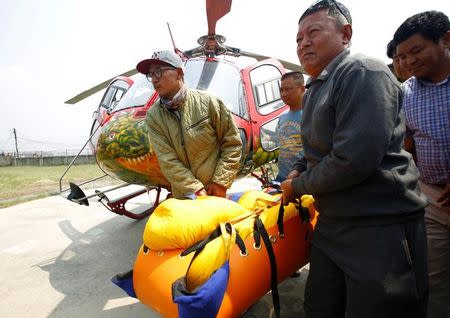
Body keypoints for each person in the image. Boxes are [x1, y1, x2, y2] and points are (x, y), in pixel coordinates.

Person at [280, 1, 429, 317]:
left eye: (313, 32)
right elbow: (314, 151)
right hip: (334, 222)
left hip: (378, 225)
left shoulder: (362, 73)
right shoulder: (317, 86)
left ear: (345, 34)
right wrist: (295, 170)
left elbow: (354, 160)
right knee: (320, 307)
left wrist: (298, 185)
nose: (303, 42)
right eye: (298, 38)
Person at [393, 11, 450, 317]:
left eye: (416, 51)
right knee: (434, 281)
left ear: (446, 40)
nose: (409, 62)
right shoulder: (406, 94)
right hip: (432, 198)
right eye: (402, 56)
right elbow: (409, 144)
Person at [137, 50, 242, 199]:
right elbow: (167, 160)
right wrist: (195, 189)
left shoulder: (209, 103)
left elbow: (232, 143)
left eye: (159, 72)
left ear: (179, 73)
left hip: (216, 192)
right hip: (185, 196)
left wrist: (220, 182)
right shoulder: (153, 116)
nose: (154, 79)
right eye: (151, 74)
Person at [274, 71, 306, 182]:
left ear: (302, 89)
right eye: (281, 90)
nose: (283, 94)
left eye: (288, 89)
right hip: (281, 178)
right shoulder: (281, 118)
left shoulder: (311, 116)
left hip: (301, 179)